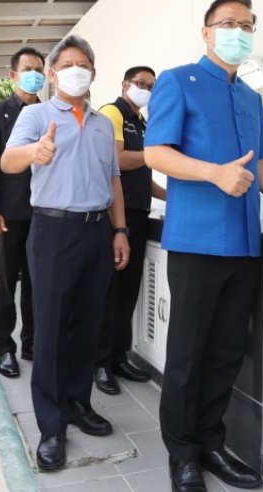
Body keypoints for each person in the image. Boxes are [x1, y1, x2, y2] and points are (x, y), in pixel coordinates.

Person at [144, 0, 263, 492]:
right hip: (196, 242)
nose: (237, 31)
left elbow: (260, 166)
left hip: (243, 245)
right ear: (205, 33)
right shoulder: (177, 80)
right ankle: (182, 455)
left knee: (227, 352)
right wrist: (213, 173)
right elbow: (155, 154)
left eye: (245, 25)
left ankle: (211, 444)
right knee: (187, 354)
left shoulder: (249, 96)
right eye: (226, 23)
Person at [1, 34, 130, 472]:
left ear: (93, 73)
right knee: (52, 329)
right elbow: (7, 162)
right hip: (54, 230)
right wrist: (34, 151)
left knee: (87, 326)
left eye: (85, 64)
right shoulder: (36, 114)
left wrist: (120, 230)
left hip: (98, 232)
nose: (77, 69)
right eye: (68, 63)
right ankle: (51, 425)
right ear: (52, 74)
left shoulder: (100, 123)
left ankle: (78, 403)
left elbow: (113, 180)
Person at [93, 67, 166, 395]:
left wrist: (168, 194)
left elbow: (142, 174)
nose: (145, 90)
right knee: (108, 291)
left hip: (139, 215)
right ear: (124, 85)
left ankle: (119, 355)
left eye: (151, 86)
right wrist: (151, 155)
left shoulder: (143, 122)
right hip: (114, 217)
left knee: (127, 291)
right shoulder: (113, 112)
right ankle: (100, 362)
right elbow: (118, 161)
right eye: (140, 84)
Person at [0, 46, 45, 378]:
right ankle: (5, 347)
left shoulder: (49, 114)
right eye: (28, 68)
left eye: (39, 69)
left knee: (37, 282)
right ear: (13, 74)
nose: (34, 74)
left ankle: (32, 342)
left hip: (44, 212)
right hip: (10, 213)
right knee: (6, 281)